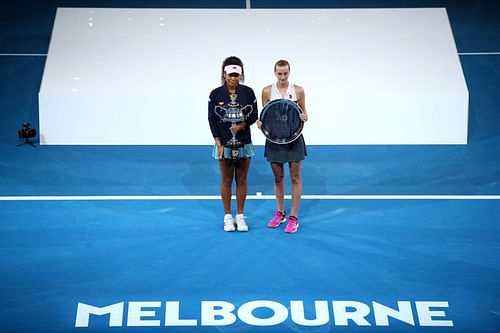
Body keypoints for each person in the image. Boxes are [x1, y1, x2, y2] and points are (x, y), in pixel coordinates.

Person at [208, 56, 258, 232]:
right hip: (223, 144)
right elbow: (212, 119)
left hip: (244, 142)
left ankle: (241, 216)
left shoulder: (248, 92)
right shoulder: (215, 94)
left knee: (242, 179)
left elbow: (253, 116)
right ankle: (228, 216)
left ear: (241, 75)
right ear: (224, 74)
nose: (233, 78)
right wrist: (218, 143)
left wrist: (241, 126)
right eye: (230, 75)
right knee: (227, 180)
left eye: (236, 75)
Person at [260, 59, 308, 233]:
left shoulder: (299, 90)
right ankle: (280, 213)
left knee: (295, 178)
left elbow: (305, 114)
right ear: (275, 73)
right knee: (278, 178)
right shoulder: (266, 91)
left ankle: (293, 217)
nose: (282, 77)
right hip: (274, 140)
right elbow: (265, 116)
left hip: (294, 139)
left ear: (289, 73)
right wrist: (260, 123)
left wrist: (304, 117)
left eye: (285, 73)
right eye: (279, 73)